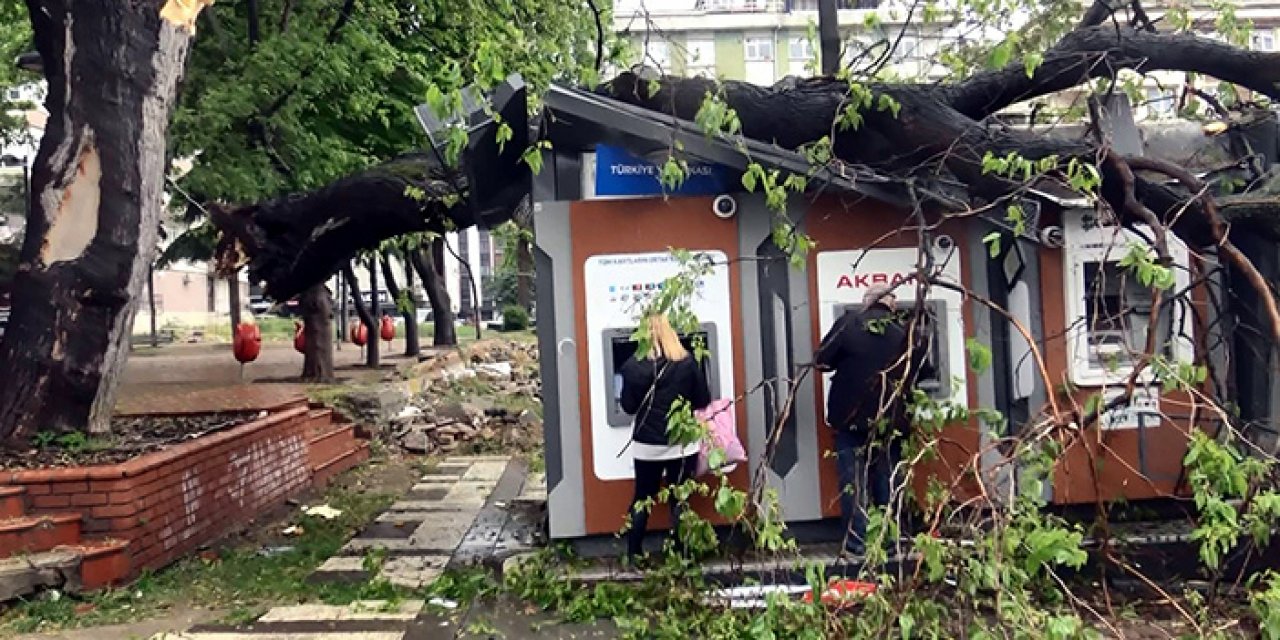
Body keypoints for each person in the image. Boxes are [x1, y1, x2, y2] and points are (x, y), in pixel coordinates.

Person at [815, 284, 933, 556]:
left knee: (853, 483)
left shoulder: (848, 324)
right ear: (892, 305)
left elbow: (822, 360)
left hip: (850, 419)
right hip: (893, 419)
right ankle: (889, 544)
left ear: (866, 303)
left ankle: (857, 545)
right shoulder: (907, 331)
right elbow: (924, 370)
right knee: (888, 480)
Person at [619, 313, 712, 563]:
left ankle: (633, 555)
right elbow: (703, 400)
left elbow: (627, 407)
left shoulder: (633, 366)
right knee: (680, 499)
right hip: (682, 443)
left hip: (647, 445)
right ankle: (681, 556)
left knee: (642, 498)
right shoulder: (687, 362)